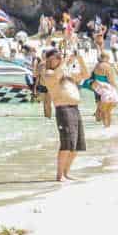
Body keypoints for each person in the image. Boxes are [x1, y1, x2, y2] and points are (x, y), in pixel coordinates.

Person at [39, 48, 91, 182]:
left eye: (57, 58)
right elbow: (56, 75)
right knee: (66, 144)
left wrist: (79, 59)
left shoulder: (65, 71)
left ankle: (66, 173)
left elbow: (85, 75)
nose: (56, 60)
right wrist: (66, 60)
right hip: (63, 109)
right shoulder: (48, 73)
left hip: (74, 108)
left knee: (77, 145)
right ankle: (59, 175)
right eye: (53, 58)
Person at [90, 51, 118, 128]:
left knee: (99, 108)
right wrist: (115, 89)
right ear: (106, 58)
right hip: (106, 90)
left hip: (97, 88)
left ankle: (99, 125)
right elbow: (111, 80)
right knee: (108, 111)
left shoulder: (97, 65)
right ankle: (107, 127)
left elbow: (92, 76)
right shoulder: (107, 66)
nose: (109, 59)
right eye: (108, 58)